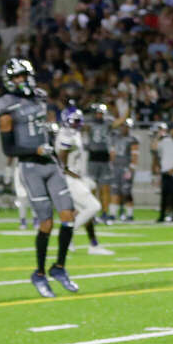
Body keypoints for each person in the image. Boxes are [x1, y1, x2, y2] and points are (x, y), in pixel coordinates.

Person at [0, 58, 78, 298]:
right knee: (46, 223)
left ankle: (59, 267)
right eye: (17, 77)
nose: (22, 80)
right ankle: (39, 273)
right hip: (31, 166)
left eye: (24, 75)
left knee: (68, 217)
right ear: (10, 81)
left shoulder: (40, 97)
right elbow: (8, 150)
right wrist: (35, 150)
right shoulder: (6, 106)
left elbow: (45, 125)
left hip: (50, 164)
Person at [55, 107, 114, 255]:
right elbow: (61, 162)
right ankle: (66, 234)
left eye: (78, 120)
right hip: (70, 179)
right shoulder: (67, 134)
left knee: (85, 212)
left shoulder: (74, 133)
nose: (78, 123)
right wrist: (73, 176)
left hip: (75, 177)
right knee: (93, 207)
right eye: (75, 120)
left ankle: (93, 244)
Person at [85, 103, 115, 223]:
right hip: (93, 157)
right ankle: (92, 214)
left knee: (105, 189)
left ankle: (104, 213)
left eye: (101, 113)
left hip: (105, 158)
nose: (99, 115)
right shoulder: (89, 124)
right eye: (97, 113)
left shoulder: (108, 124)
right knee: (92, 188)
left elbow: (119, 121)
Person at [109, 118, 139, 221]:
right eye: (123, 126)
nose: (124, 129)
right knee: (114, 190)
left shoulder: (132, 139)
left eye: (126, 127)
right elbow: (112, 153)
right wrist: (111, 165)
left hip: (126, 168)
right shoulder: (115, 138)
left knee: (126, 191)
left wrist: (131, 168)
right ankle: (113, 213)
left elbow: (135, 155)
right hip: (116, 167)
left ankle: (129, 214)